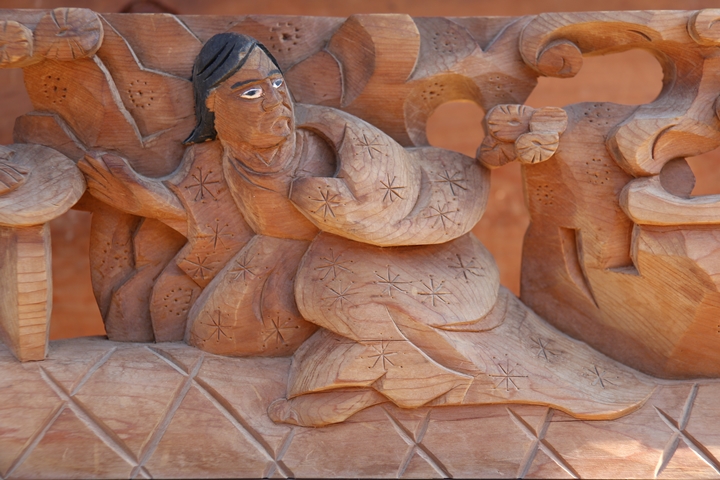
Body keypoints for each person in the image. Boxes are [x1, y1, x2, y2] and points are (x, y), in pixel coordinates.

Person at [81, 33, 655, 427]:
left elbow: (393, 185)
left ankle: (370, 382)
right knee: (211, 334)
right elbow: (208, 214)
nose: (275, 102)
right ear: (213, 106)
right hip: (272, 269)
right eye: (250, 92)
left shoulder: (322, 141)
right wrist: (141, 198)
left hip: (359, 263)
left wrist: (342, 208)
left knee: (345, 312)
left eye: (277, 84)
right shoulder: (218, 160)